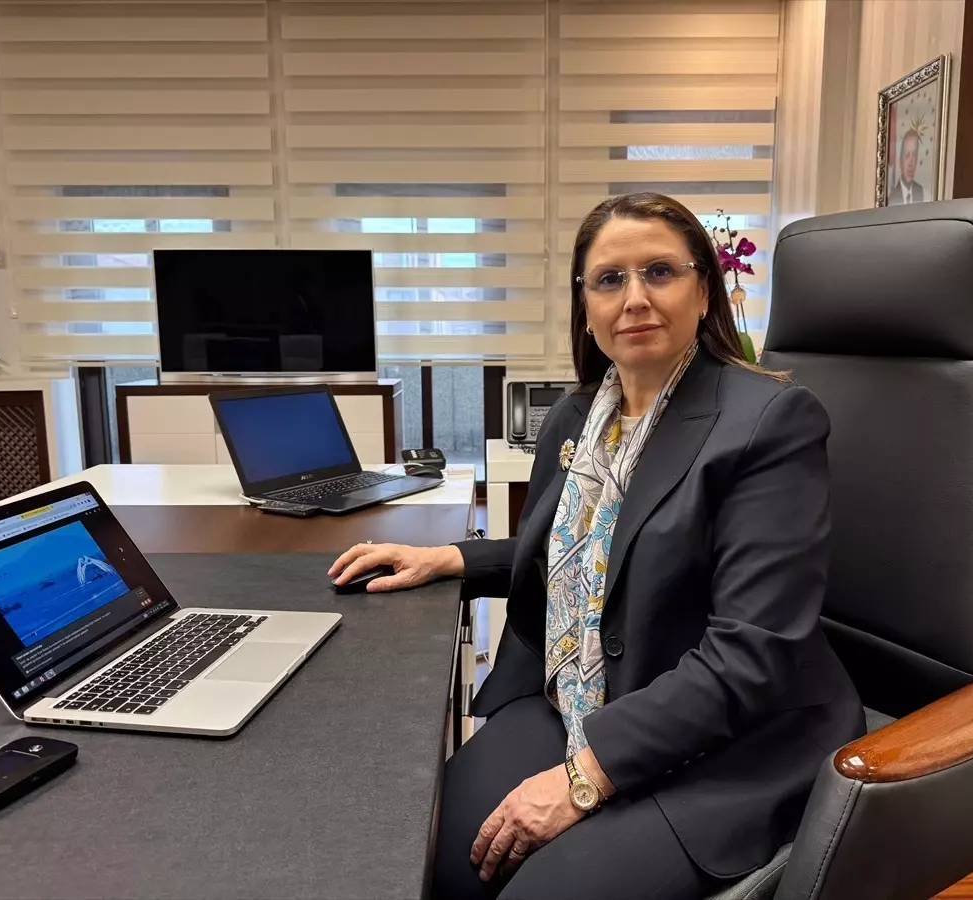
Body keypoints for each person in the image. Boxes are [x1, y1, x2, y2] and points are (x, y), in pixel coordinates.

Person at [329, 193, 865, 900]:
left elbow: (751, 656)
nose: (635, 298)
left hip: (728, 740)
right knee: (431, 855)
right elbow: (584, 552)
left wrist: (582, 779)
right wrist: (451, 558)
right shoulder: (579, 415)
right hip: (584, 697)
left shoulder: (768, 423)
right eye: (610, 279)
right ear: (586, 306)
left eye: (660, 272)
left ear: (704, 290)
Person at [889, 128, 926, 204]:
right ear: (900, 162)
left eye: (914, 155)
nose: (910, 163)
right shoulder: (892, 197)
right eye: (907, 155)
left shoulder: (922, 192)